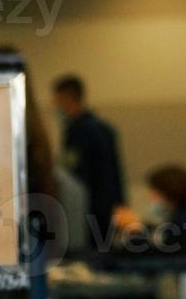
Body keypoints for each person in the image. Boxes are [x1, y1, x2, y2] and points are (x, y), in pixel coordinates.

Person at [111, 164, 186, 299]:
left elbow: (154, 261)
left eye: (154, 194)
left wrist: (134, 230)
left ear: (168, 193)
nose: (150, 199)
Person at [51, 74, 125, 250]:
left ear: (67, 98)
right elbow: (116, 173)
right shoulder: (105, 129)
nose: (55, 105)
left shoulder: (78, 131)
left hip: (87, 209)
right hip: (107, 207)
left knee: (89, 255)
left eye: (57, 100)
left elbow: (74, 174)